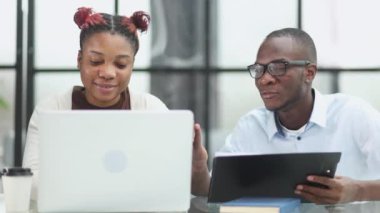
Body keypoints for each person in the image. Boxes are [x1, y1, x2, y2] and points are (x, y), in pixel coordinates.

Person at [191, 27, 380, 204]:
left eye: (278, 67)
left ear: (309, 72)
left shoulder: (353, 114)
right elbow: (212, 190)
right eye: (259, 70)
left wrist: (357, 191)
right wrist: (199, 168)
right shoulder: (251, 126)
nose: (264, 79)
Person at [22, 7, 170, 200]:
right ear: (79, 60)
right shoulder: (51, 109)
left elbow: (169, 177)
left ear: (132, 65)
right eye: (95, 61)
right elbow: (31, 183)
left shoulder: (152, 110)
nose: (107, 73)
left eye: (121, 64)